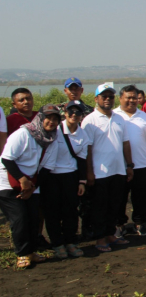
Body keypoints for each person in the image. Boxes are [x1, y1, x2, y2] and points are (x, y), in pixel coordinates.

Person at [0, 105, 60, 268]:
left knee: (34, 219)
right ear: (40, 118)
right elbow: (7, 159)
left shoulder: (53, 139)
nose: (51, 122)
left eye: (55, 119)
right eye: (48, 118)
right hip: (8, 181)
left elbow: (47, 168)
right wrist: (22, 181)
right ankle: (22, 254)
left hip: (32, 183)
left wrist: (31, 187)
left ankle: (32, 252)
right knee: (19, 218)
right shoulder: (23, 134)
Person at [81, 84, 133, 252]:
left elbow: (125, 143)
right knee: (99, 207)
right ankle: (100, 238)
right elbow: (87, 148)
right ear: (96, 99)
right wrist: (89, 172)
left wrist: (129, 165)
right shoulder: (90, 120)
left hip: (118, 169)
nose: (108, 99)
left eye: (110, 96)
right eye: (104, 96)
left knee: (114, 205)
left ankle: (110, 234)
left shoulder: (119, 118)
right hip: (99, 172)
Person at [41, 101, 89, 259]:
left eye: (78, 112)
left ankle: (71, 242)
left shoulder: (83, 135)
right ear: (65, 113)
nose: (74, 115)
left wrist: (82, 181)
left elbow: (82, 160)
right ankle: (57, 244)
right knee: (53, 212)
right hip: (51, 176)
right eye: (71, 112)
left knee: (70, 211)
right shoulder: (55, 129)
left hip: (71, 176)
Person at [114, 85, 146, 236]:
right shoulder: (114, 115)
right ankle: (119, 224)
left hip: (141, 163)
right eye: (128, 97)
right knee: (120, 197)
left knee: (142, 197)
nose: (132, 100)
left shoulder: (142, 115)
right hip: (121, 165)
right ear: (121, 98)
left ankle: (140, 223)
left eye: (134, 97)